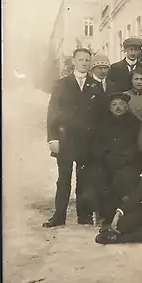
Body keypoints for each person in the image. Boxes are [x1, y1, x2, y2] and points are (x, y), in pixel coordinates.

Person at [43, 48, 105, 228]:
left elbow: (100, 116)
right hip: (66, 139)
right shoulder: (62, 84)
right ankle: (59, 215)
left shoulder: (95, 85)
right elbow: (53, 112)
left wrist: (98, 140)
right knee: (64, 178)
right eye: (81, 60)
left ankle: (83, 215)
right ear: (74, 62)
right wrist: (52, 138)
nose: (84, 63)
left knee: (84, 178)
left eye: (87, 60)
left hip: (87, 140)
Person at [86, 92, 142, 227]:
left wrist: (125, 157)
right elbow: (95, 143)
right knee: (99, 177)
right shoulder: (102, 123)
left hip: (126, 162)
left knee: (124, 178)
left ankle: (123, 214)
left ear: (127, 107)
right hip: (105, 161)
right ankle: (107, 215)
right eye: (114, 105)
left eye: (122, 104)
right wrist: (105, 154)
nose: (118, 107)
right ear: (110, 108)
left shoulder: (135, 123)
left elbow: (136, 144)